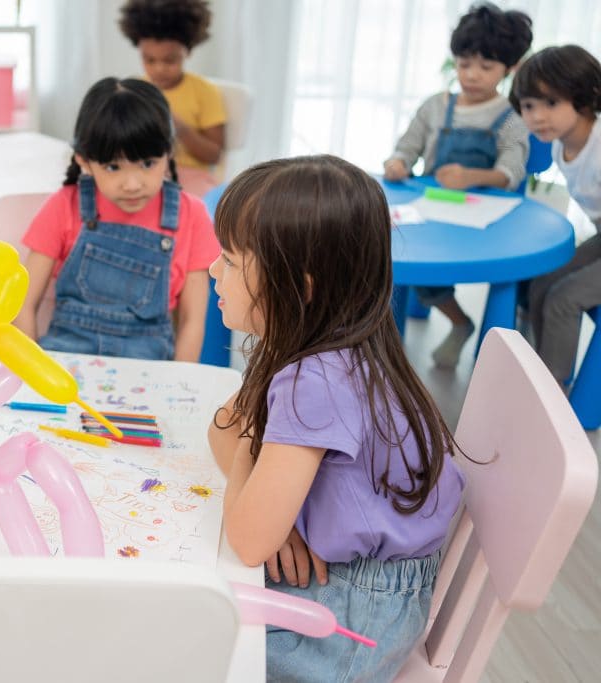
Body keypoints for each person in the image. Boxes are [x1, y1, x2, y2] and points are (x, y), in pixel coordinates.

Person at [208, 156, 466, 681]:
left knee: (176, 637)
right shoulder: (320, 343)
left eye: (232, 262)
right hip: (356, 586)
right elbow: (224, 428)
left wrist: (257, 481)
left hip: (354, 613)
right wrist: (268, 503)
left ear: (298, 286)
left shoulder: (317, 381)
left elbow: (247, 535)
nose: (214, 270)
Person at [15, 77, 219, 362]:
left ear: (169, 152)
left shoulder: (192, 215)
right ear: (84, 161)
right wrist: (34, 375)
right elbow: (22, 306)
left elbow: (192, 322)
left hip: (150, 374)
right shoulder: (64, 205)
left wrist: (179, 389)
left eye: (148, 164)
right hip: (67, 373)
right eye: (113, 167)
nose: (132, 184)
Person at [384, 2, 532, 369]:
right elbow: (408, 146)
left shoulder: (509, 118)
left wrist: (473, 177)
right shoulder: (436, 106)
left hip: (477, 220)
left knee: (431, 272)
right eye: (465, 64)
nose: (473, 75)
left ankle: (459, 322)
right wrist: (398, 163)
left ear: (508, 68)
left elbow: (510, 171)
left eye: (486, 67)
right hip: (428, 211)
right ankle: (408, 333)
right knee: (398, 254)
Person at [510, 45, 601, 386]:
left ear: (586, 96)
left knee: (564, 297)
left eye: (551, 103)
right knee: (543, 281)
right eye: (529, 105)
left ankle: (553, 389)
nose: (536, 116)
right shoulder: (562, 144)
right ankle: (538, 369)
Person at [119, 0, 226, 196]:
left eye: (170, 60)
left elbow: (214, 155)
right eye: (149, 59)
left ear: (188, 51)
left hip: (190, 176)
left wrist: (179, 127)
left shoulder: (204, 92)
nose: (159, 68)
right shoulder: (133, 88)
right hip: (144, 173)